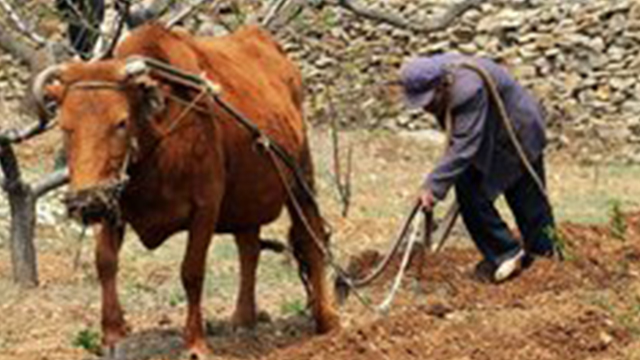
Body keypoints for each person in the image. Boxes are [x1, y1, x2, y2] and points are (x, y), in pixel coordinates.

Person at [399, 53, 555, 283]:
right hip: (488, 136)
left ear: (442, 85)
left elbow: (464, 146)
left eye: (429, 101)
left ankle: (546, 260)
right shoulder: (441, 73)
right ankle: (505, 253)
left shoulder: (468, 91)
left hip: (518, 131)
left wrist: (433, 185)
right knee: (469, 192)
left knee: (526, 198)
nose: (426, 108)